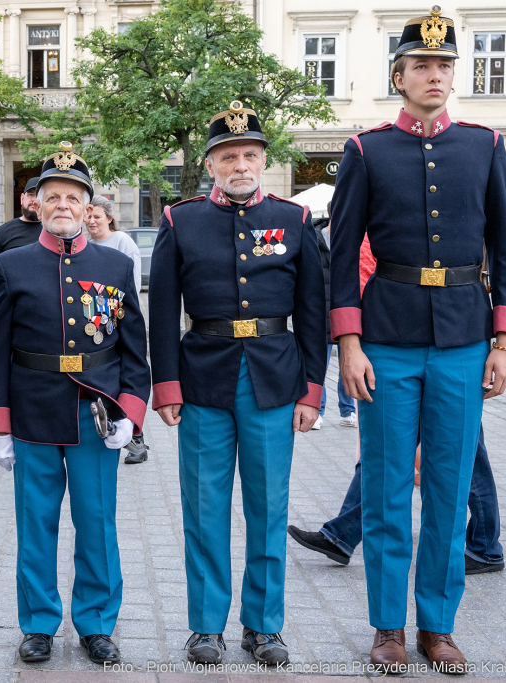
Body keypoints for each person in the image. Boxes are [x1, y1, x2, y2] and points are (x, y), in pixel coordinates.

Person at [330, 8, 506, 672]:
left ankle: (437, 624)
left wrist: (504, 337)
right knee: (385, 488)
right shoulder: (366, 150)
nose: (434, 75)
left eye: (444, 65)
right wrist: (348, 343)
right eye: (421, 65)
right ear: (398, 75)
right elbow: (342, 251)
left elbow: (505, 243)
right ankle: (388, 627)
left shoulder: (486, 145)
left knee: (448, 484)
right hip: (388, 339)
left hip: (466, 339)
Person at [149, 101, 326, 666]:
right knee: (203, 508)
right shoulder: (182, 221)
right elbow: (161, 311)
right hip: (204, 377)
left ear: (263, 159)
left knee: (269, 507)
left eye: (250, 153)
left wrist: (313, 388)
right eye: (229, 155)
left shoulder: (296, 221)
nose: (241, 164)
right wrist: (166, 385)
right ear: (211, 164)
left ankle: (264, 625)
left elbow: (314, 311)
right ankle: (205, 626)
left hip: (275, 378)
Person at [0, 142, 150, 666]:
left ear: (86, 205)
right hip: (31, 409)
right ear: (36, 204)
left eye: (72, 197)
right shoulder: (11, 265)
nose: (62, 205)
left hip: (95, 410)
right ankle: (37, 624)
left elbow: (134, 348)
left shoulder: (115, 267)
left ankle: (97, 624)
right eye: (51, 196)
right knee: (36, 522)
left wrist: (130, 412)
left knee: (97, 522)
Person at [289, 424, 505, 574]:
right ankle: (340, 536)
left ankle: (485, 547)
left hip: (452, 365)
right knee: (382, 447)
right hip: (420, 363)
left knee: (472, 460)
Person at [85, 194, 151, 464]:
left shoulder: (122, 241)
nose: (91, 221)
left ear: (109, 218)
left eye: (97, 216)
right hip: (94, 321)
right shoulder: (86, 245)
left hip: (117, 320)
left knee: (127, 378)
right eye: (88, 216)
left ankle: (137, 441)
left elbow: (131, 287)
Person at [312, 216, 356, 430]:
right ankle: (318, 411)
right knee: (321, 364)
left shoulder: (352, 239)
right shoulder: (313, 238)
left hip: (347, 312)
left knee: (347, 363)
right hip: (321, 313)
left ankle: (348, 411)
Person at [0, 176, 41, 309]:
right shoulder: (0, 234)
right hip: (10, 308)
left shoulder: (55, 233)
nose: (34, 200)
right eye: (31, 195)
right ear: (22, 198)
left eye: (39, 195)